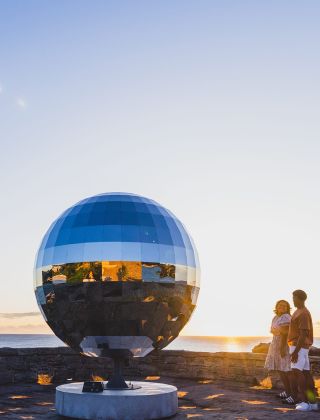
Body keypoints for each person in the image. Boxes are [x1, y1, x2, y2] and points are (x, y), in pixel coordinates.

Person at [286, 289, 318, 412]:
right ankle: (313, 403)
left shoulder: (303, 313)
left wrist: (295, 352)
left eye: (294, 297)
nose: (292, 300)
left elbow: (303, 334)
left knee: (297, 373)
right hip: (301, 348)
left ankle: (304, 402)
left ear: (300, 298)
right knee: (305, 374)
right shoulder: (298, 312)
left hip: (298, 346)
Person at [265, 300, 293, 399]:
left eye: (284, 306)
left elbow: (285, 333)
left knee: (287, 370)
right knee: (281, 370)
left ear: (287, 308)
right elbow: (273, 331)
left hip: (283, 345)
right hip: (275, 344)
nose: (282, 307)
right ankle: (287, 391)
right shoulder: (275, 317)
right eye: (280, 305)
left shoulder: (286, 317)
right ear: (276, 307)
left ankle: (291, 393)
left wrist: (282, 348)